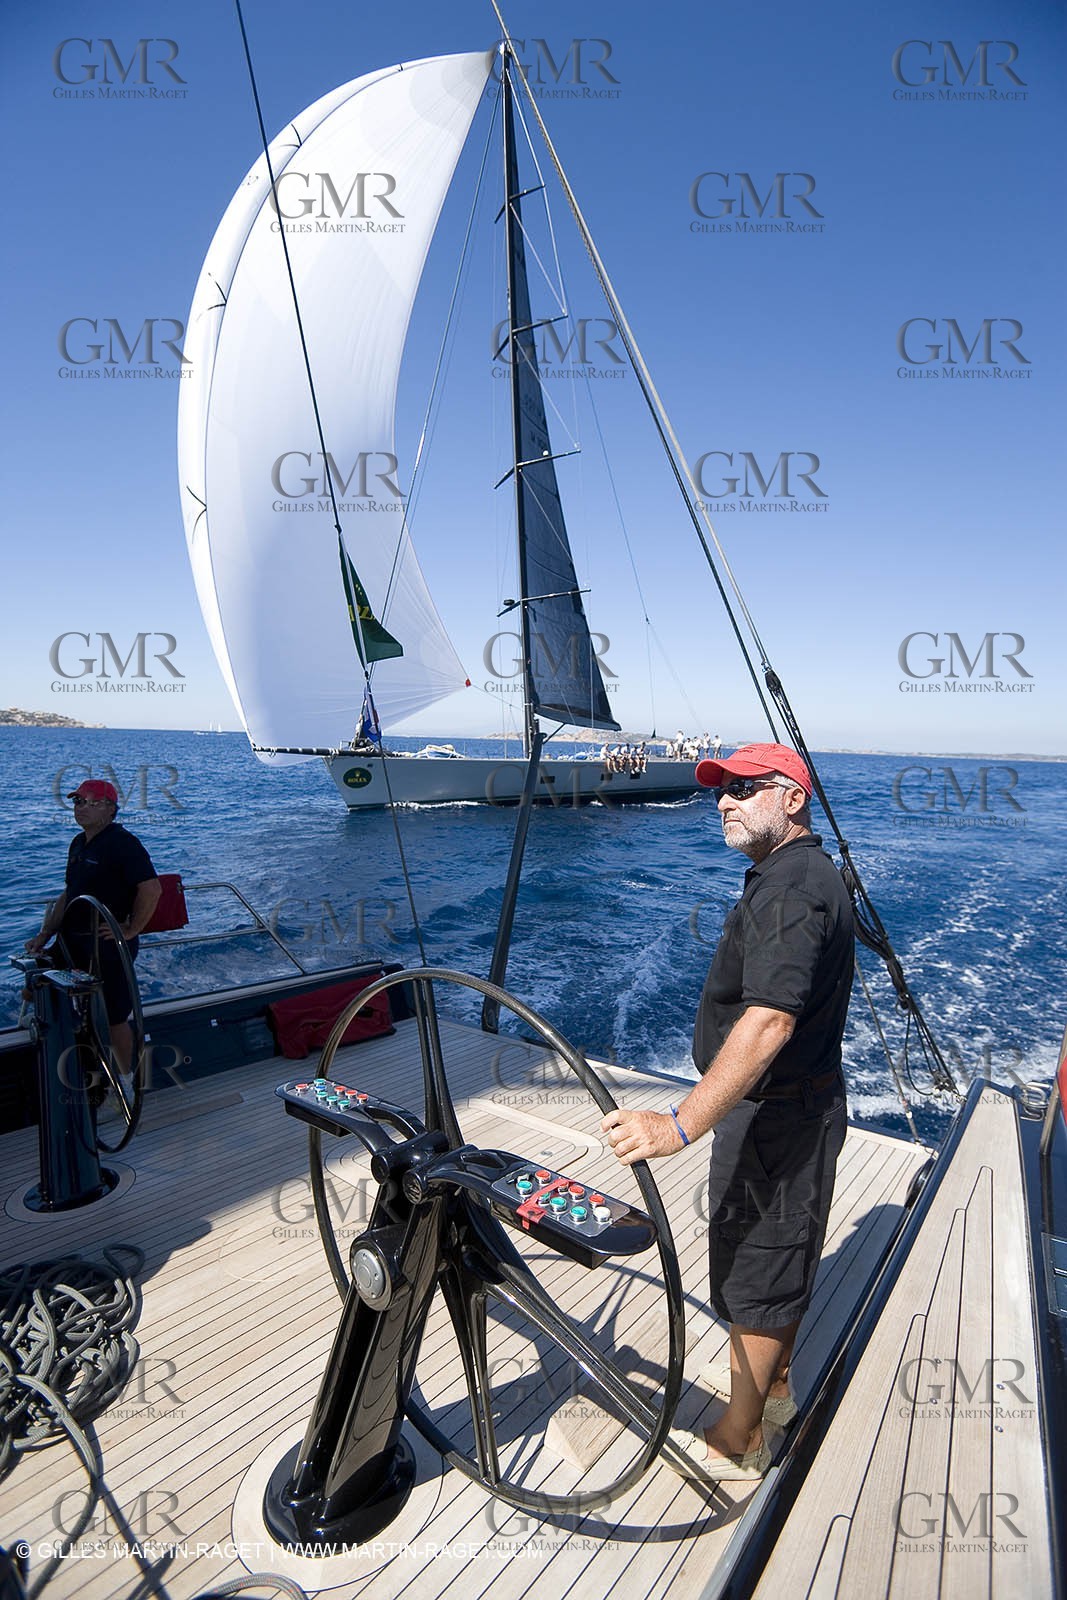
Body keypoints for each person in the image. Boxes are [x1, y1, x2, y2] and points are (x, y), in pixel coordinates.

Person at [601, 742, 853, 1482]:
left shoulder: (791, 889)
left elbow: (770, 1021)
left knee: (757, 1272)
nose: (724, 800)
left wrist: (676, 1124)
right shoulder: (791, 874)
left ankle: (742, 1435)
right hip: (780, 1110)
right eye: (721, 789)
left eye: (744, 788)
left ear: (792, 799)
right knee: (765, 1268)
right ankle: (771, 1387)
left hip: (779, 1119)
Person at [26, 779, 162, 1074]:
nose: (82, 808)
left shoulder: (124, 843)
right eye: (78, 802)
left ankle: (127, 1082)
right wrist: (46, 933)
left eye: (91, 802)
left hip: (107, 945)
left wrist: (129, 930)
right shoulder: (78, 843)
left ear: (111, 809)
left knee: (114, 1017)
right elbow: (69, 892)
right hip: (70, 941)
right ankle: (71, 1063)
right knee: (35, 983)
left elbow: (151, 889)